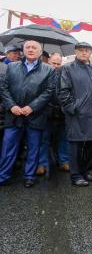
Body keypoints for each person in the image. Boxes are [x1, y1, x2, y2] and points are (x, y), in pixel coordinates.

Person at [0, 40, 55, 187]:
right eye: (27, 47)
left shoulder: (49, 70)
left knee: (33, 148)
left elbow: (49, 91)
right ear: (23, 51)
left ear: (40, 51)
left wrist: (32, 107)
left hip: (36, 115)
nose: (30, 49)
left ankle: (29, 176)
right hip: (13, 115)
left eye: (34, 47)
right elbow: (3, 88)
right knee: (8, 147)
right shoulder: (11, 67)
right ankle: (3, 176)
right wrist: (11, 106)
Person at [58, 42, 92, 187]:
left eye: (87, 50)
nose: (84, 53)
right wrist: (74, 108)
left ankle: (86, 171)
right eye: (81, 50)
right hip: (77, 114)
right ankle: (76, 175)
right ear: (76, 52)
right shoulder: (67, 69)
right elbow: (62, 92)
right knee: (76, 146)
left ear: (90, 53)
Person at [37, 52, 70, 175]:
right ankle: (42, 164)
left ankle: (63, 161)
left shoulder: (65, 74)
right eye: (53, 63)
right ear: (48, 61)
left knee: (63, 137)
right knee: (44, 138)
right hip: (45, 111)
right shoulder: (40, 74)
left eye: (58, 63)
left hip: (61, 112)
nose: (55, 66)